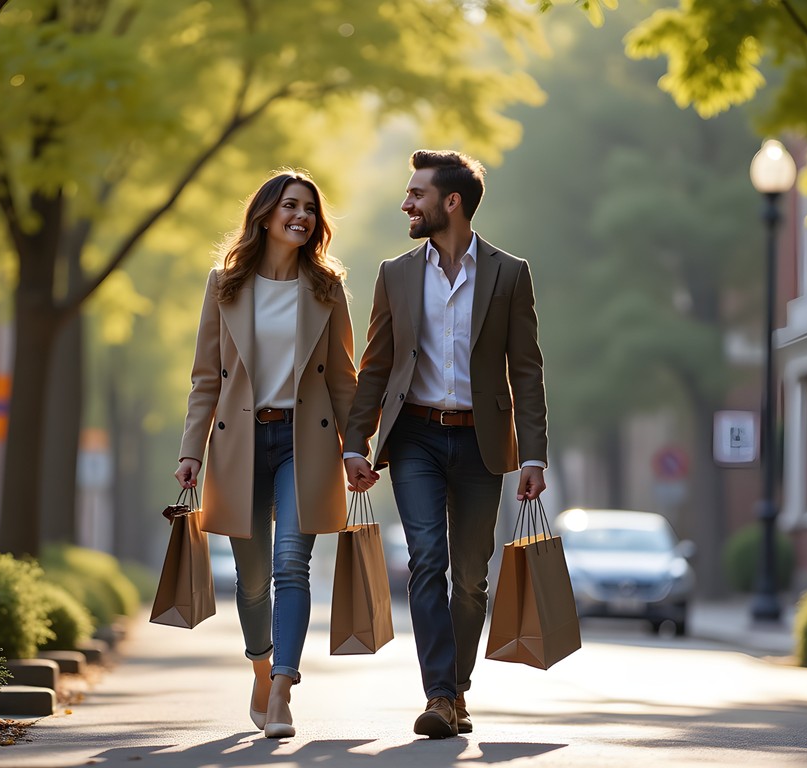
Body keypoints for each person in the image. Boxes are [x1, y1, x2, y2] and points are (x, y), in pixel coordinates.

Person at [343, 149, 548, 739]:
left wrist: (532, 454)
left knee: (471, 576)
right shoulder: (397, 273)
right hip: (415, 440)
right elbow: (375, 365)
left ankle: (457, 692)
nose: (406, 203)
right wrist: (356, 440)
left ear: (450, 202)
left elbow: (526, 368)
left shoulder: (510, 274)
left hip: (483, 443)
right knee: (427, 560)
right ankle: (438, 694)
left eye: (417, 194)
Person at [174, 170, 357, 739]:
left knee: (290, 566)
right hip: (239, 443)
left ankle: (282, 688)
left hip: (305, 443)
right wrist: (191, 453)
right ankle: (260, 664)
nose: (301, 215)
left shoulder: (327, 289)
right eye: (290, 205)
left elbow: (345, 381)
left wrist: (358, 451)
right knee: (251, 582)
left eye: (309, 208)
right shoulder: (225, 284)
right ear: (264, 215)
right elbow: (207, 377)